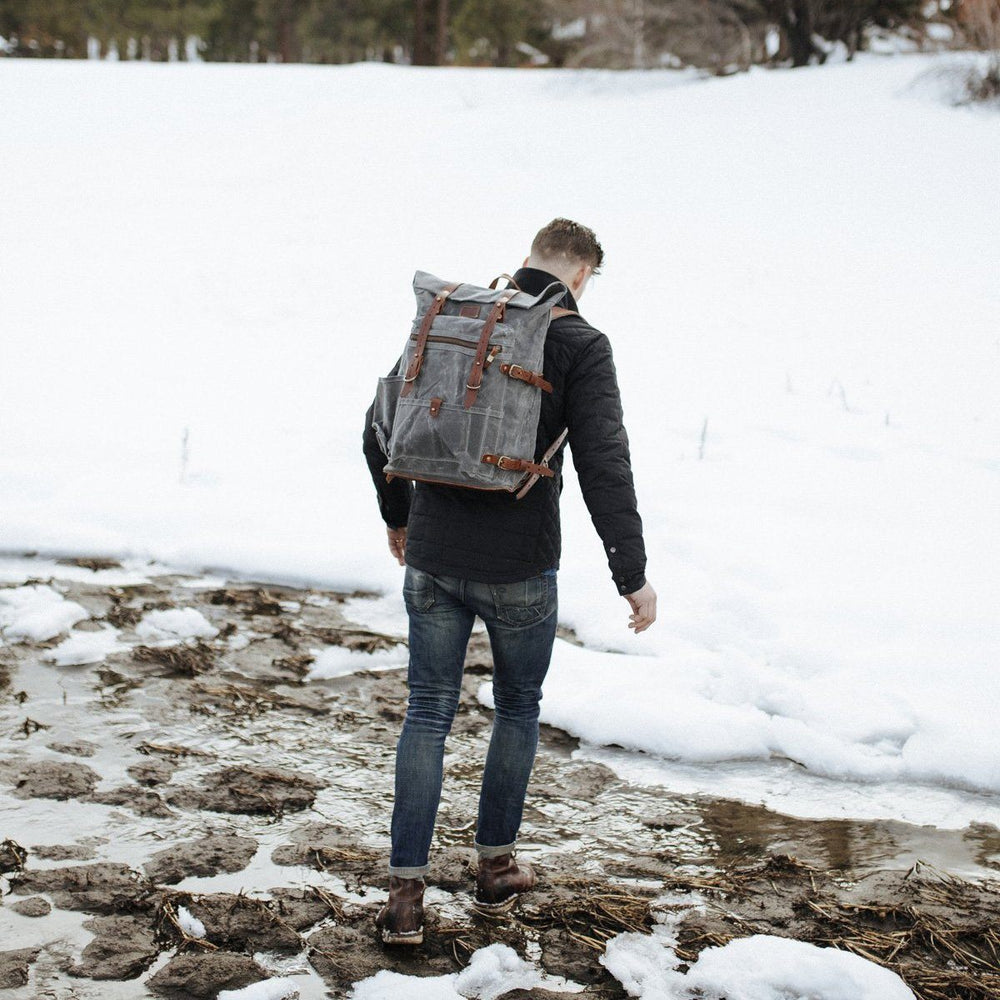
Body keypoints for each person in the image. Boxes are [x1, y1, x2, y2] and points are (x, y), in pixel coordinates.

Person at [362, 218, 656, 945]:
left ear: (527, 260)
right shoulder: (581, 343)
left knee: (427, 711)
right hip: (520, 565)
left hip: (432, 555)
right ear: (583, 275)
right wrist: (633, 574)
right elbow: (604, 460)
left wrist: (399, 518)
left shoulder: (453, 314)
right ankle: (494, 871)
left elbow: (377, 423)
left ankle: (404, 898)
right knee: (517, 708)